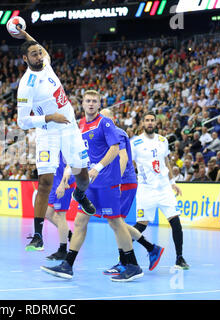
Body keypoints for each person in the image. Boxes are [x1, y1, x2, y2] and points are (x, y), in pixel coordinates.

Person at [41, 90, 143, 282]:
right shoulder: (81, 125)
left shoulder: (105, 122)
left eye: (94, 101)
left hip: (108, 182)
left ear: (99, 104)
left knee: (115, 222)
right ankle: (68, 265)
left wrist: (98, 167)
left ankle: (133, 265)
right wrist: (70, 172)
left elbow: (115, 149)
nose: (90, 103)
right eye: (87, 100)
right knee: (80, 222)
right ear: (83, 104)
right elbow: (80, 152)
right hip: (91, 184)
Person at [13, 26, 95, 251]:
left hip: (69, 129)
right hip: (48, 132)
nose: (39, 56)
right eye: (34, 54)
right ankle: (38, 235)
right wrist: (50, 117)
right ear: (25, 58)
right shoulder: (26, 85)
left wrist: (23, 33)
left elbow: (36, 45)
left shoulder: (47, 63)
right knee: (45, 183)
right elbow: (22, 121)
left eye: (40, 52)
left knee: (83, 174)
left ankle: (79, 194)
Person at [100, 108, 164, 276]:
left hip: (124, 182)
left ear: (112, 119)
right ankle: (149, 249)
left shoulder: (116, 133)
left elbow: (124, 158)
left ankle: (129, 260)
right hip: (120, 182)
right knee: (115, 223)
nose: (103, 121)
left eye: (106, 118)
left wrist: (117, 181)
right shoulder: (108, 133)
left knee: (116, 222)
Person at [131, 111, 189, 269]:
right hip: (146, 189)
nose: (150, 123)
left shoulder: (163, 141)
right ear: (143, 123)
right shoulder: (135, 142)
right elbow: (130, 165)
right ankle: (124, 256)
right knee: (141, 225)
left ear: (156, 123)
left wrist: (173, 182)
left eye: (152, 120)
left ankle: (179, 258)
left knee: (176, 223)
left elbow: (166, 162)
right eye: (147, 120)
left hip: (164, 189)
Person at [43, 152, 74, 260]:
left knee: (61, 215)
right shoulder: (51, 144)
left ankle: (62, 250)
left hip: (64, 183)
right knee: (48, 213)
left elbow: (70, 165)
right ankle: (69, 234)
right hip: (55, 182)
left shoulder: (66, 142)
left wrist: (62, 183)